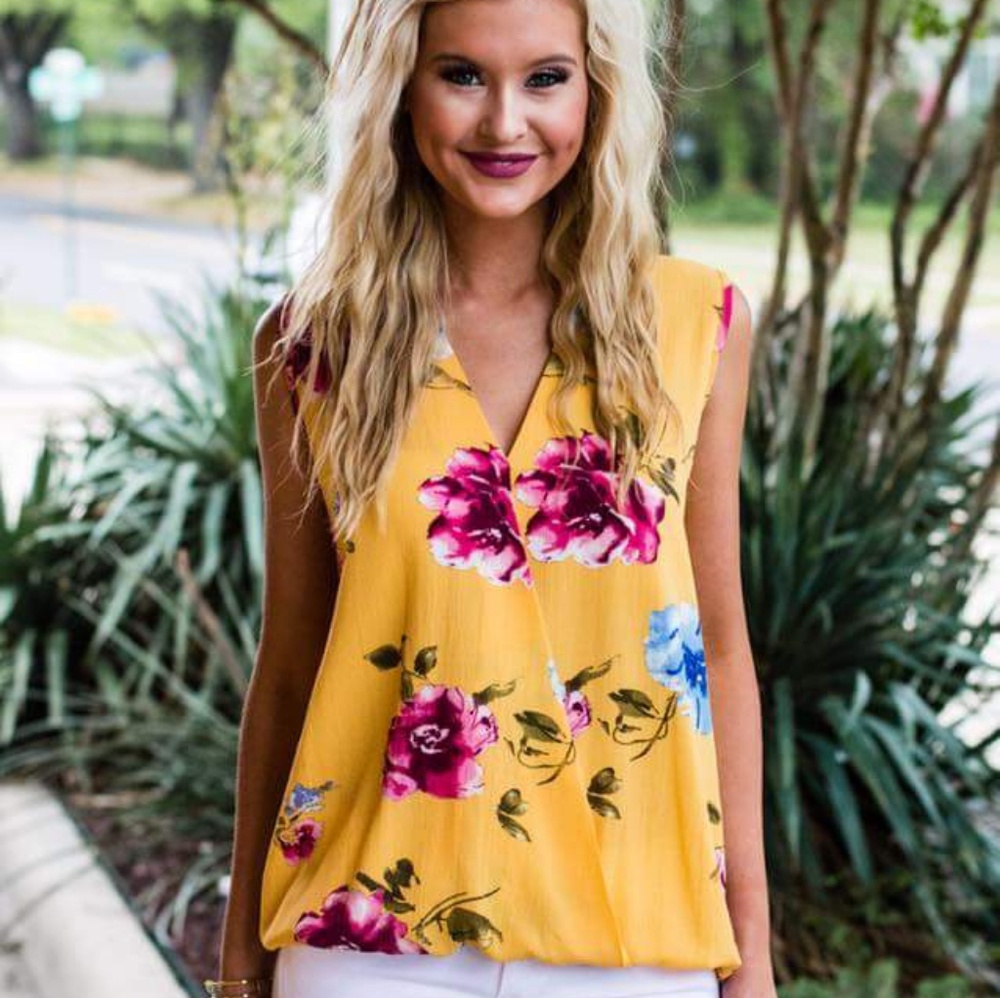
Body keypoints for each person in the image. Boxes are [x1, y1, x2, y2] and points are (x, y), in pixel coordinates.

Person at [208, 0, 774, 996]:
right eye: (462, 74)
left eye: (545, 78)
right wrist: (241, 952)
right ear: (400, 88)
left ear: (596, 91)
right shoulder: (311, 345)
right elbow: (292, 656)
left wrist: (753, 957)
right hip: (368, 940)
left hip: (636, 936)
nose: (504, 124)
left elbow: (718, 647)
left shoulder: (692, 325)